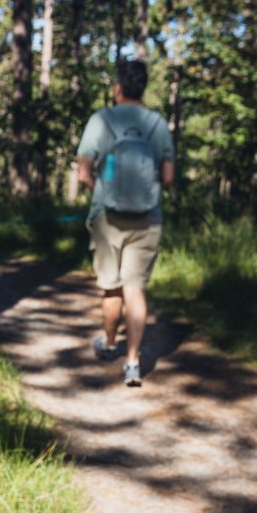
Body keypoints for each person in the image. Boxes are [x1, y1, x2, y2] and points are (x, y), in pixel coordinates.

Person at [77, 59, 175, 386]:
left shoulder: (100, 121)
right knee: (135, 287)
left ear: (117, 88)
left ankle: (108, 343)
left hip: (107, 217)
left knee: (111, 285)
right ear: (143, 89)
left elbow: (83, 172)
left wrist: (107, 190)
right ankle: (133, 362)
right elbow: (169, 178)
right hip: (148, 218)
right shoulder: (157, 124)